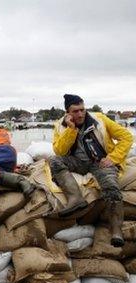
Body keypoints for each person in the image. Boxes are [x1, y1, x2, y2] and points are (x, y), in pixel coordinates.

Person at [50, 94, 133, 247]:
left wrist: (113, 158)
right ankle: (75, 198)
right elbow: (59, 151)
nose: (80, 114)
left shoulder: (99, 119)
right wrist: (71, 129)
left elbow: (126, 137)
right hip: (77, 162)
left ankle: (116, 229)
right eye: (75, 111)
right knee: (54, 161)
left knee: (110, 186)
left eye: (82, 110)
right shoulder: (60, 125)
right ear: (68, 113)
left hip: (99, 161)